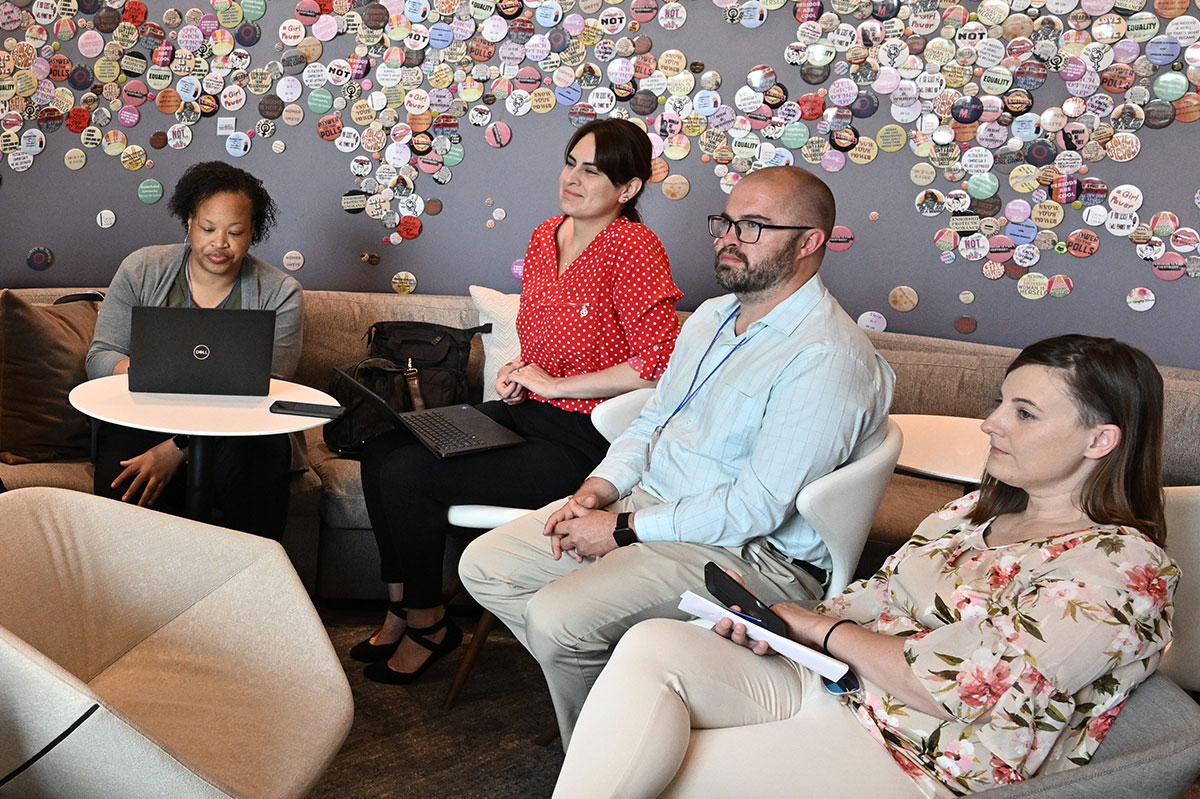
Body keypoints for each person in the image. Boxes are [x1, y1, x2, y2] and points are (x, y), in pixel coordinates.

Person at [555, 334, 1178, 798]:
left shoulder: (1123, 566)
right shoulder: (970, 513)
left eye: (1025, 412)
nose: (991, 423)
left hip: (923, 755)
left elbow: (961, 688)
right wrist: (776, 625)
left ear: (1101, 441)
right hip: (844, 685)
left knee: (667, 776)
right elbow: (875, 597)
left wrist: (816, 629)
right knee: (652, 642)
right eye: (1001, 402)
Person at [460, 165, 896, 746]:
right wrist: (599, 489)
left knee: (559, 619)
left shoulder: (826, 358)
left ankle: (601, 757)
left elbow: (757, 509)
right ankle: (627, 710)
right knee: (486, 564)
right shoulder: (713, 318)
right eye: (725, 222)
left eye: (753, 226)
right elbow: (652, 420)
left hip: (752, 554)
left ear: (809, 242)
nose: (728, 238)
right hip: (655, 506)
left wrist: (621, 530)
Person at [353, 118, 683, 685]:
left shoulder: (633, 246)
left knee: (410, 473)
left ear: (628, 189)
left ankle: (430, 623)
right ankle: (400, 607)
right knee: (383, 447)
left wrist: (555, 385)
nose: (573, 178)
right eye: (571, 162)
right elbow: (545, 337)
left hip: (587, 441)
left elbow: (657, 364)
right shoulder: (545, 234)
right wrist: (518, 371)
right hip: (527, 411)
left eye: (593, 170)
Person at [86, 161, 302, 540]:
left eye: (235, 232)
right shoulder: (142, 269)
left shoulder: (281, 292)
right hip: (143, 421)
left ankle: (246, 588)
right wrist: (147, 370)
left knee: (259, 463)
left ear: (253, 231)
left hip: (242, 432)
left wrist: (179, 448)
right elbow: (100, 358)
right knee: (126, 480)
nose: (220, 243)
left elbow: (268, 388)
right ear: (188, 221)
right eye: (207, 228)